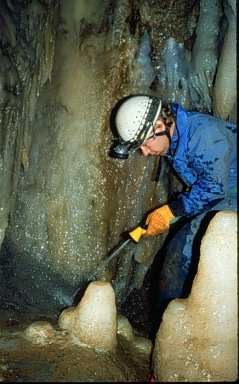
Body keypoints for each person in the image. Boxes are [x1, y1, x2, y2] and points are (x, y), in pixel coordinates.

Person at [110, 95, 237, 321]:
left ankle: (175, 330)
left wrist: (172, 211)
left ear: (159, 126)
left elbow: (214, 187)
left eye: (145, 144)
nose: (145, 152)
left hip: (229, 193)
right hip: (224, 195)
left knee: (181, 257)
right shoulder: (175, 139)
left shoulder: (204, 136)